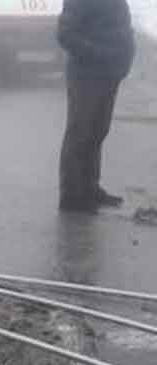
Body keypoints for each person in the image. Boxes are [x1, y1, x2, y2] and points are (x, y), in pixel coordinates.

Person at [57, 0, 135, 213]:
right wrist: (100, 55)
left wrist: (125, 56)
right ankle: (72, 197)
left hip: (109, 72)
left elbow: (120, 27)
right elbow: (65, 35)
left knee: (97, 132)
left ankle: (90, 188)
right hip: (86, 74)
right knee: (80, 132)